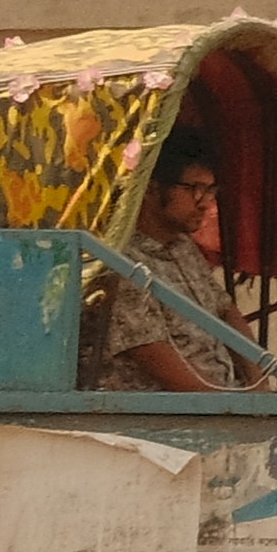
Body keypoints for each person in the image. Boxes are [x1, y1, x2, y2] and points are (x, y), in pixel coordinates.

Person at [86, 156, 260, 392]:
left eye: (210, 191)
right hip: (157, 406)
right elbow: (150, 351)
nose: (205, 204)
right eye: (194, 189)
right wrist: (224, 402)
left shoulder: (183, 247)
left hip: (221, 398)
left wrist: (258, 383)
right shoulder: (121, 259)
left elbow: (225, 310)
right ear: (151, 190)